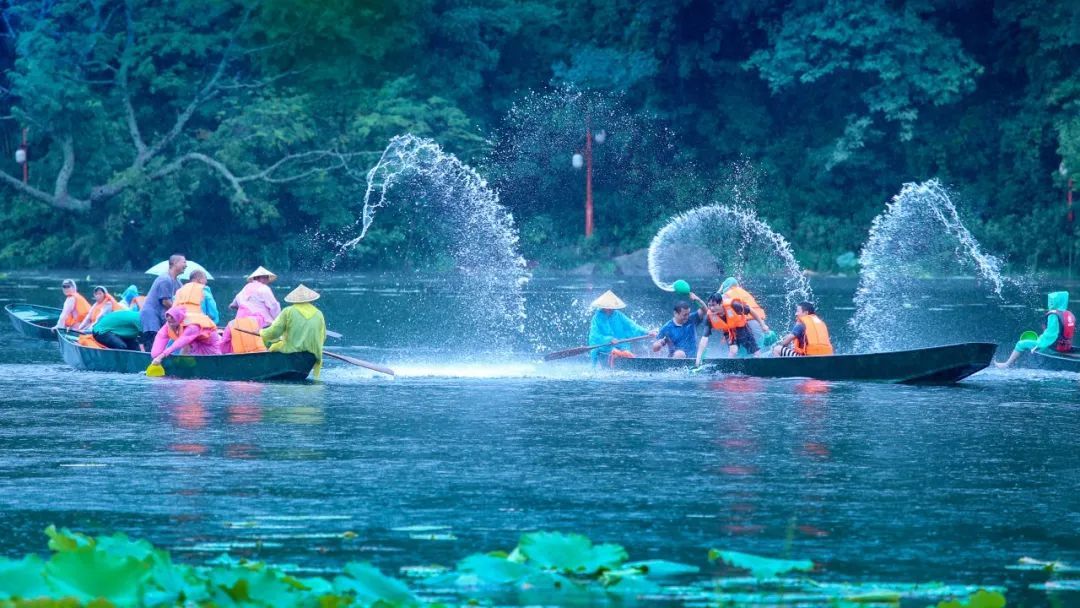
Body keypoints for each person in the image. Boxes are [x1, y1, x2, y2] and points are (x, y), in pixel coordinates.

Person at [260, 284, 326, 378]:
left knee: (274, 346)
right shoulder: (319, 314)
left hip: (291, 351)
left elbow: (274, 332)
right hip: (312, 354)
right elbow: (323, 337)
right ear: (310, 300)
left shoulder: (288, 311)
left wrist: (261, 333)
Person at [996, 291, 1075, 368]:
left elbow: (1051, 335)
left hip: (1053, 347)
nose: (1050, 302)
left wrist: (1039, 343)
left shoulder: (1053, 315)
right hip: (1066, 347)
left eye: (1052, 300)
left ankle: (1006, 364)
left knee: (1021, 344)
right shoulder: (1069, 314)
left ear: (1056, 301)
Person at [587, 290, 657, 367]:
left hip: (621, 344)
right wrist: (609, 339)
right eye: (608, 306)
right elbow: (594, 335)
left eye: (612, 306)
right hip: (604, 346)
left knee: (627, 353)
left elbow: (632, 326)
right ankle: (613, 366)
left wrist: (647, 332)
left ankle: (631, 364)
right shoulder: (596, 318)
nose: (610, 308)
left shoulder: (618, 315)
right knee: (614, 352)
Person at [694, 293, 760, 365]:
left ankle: (759, 361)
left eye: (714, 305)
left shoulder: (734, 305)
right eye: (709, 305)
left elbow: (751, 310)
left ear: (721, 303)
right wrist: (698, 358)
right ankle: (729, 366)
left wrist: (763, 325)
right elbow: (704, 339)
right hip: (729, 332)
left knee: (754, 351)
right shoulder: (709, 317)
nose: (711, 308)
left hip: (742, 328)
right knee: (733, 351)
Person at [140, 254, 186, 350]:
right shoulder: (165, 279)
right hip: (151, 317)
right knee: (153, 344)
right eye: (184, 262)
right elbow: (165, 302)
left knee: (161, 344)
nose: (186, 265)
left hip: (161, 317)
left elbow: (184, 294)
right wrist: (180, 313)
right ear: (174, 263)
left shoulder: (177, 281)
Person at [150, 305, 222, 366]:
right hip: (195, 344)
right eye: (168, 318)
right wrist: (156, 356)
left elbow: (179, 343)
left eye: (172, 318)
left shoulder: (193, 327)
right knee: (186, 350)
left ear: (178, 317)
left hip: (211, 347)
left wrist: (161, 356)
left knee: (209, 363)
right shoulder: (170, 322)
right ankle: (182, 368)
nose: (170, 321)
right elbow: (161, 336)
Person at [719, 277, 770, 345]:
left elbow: (714, 301)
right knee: (759, 345)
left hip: (747, 322)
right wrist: (763, 325)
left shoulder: (727, 294)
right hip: (760, 321)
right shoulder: (743, 292)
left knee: (740, 343)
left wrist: (720, 289)